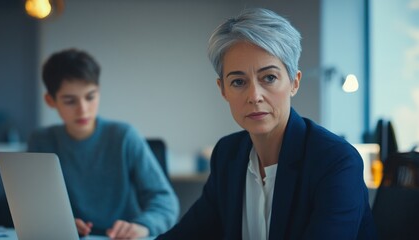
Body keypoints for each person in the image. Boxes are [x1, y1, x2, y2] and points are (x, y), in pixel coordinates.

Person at [157, 8, 377, 240]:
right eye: (239, 82)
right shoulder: (228, 155)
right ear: (223, 90)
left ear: (294, 82)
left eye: (269, 78)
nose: (254, 95)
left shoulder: (335, 161)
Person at [28, 48, 179, 239]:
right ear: (51, 100)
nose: (83, 110)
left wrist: (143, 226)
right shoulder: (41, 141)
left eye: (90, 97)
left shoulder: (124, 136)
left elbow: (165, 200)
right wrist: (56, 224)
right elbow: (34, 207)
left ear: (98, 93)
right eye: (69, 101)